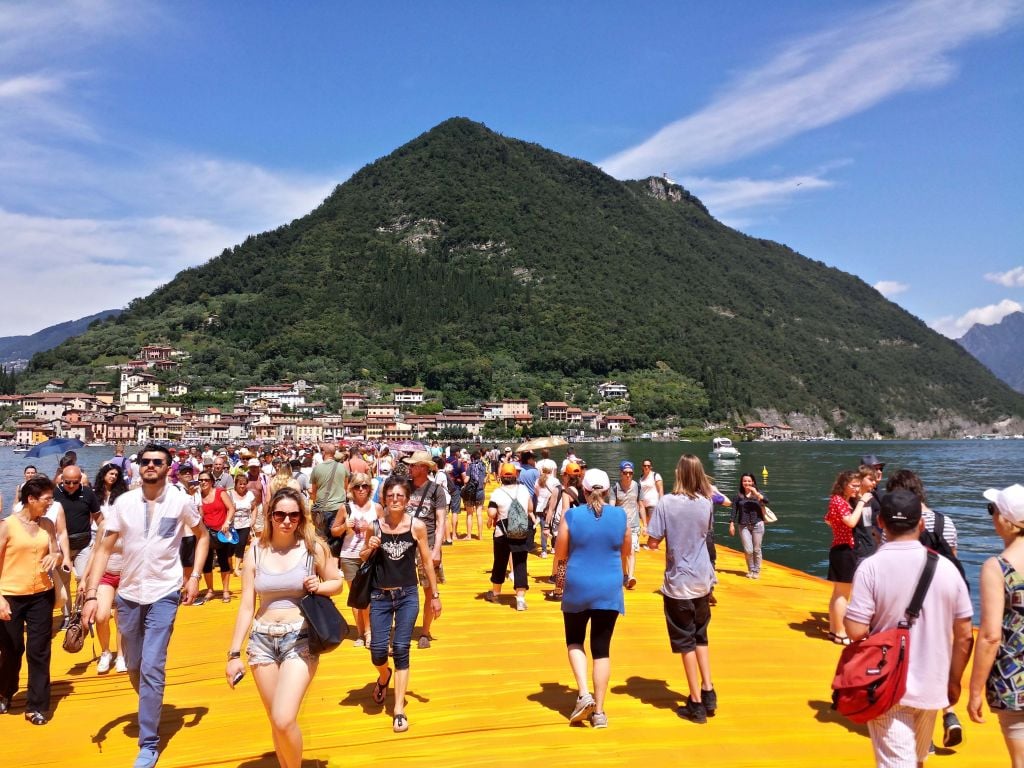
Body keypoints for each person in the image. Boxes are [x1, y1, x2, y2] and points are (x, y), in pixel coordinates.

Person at [82, 444, 210, 768]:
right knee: (136, 665)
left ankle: (148, 743)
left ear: (168, 467)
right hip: (127, 593)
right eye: (146, 461)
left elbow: (203, 535)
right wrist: (92, 593)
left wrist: (194, 576)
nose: (151, 465)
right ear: (139, 467)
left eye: (158, 462)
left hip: (164, 592)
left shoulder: (181, 502)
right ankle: (151, 702)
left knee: (152, 665)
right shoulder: (123, 503)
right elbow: (103, 548)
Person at [845, 490, 973, 768]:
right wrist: (954, 681)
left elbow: (855, 630)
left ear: (880, 522)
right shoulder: (948, 569)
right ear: (922, 524)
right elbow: (964, 635)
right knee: (917, 760)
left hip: (887, 681)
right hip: (933, 683)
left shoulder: (870, 567)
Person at [224, 487, 342, 768]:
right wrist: (233, 654)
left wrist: (320, 585)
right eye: (280, 515)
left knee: (284, 718)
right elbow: (246, 606)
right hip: (261, 641)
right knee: (276, 722)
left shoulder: (313, 547)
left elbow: (337, 583)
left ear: (301, 517)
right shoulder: (255, 551)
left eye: (293, 515)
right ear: (270, 516)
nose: (286, 521)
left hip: (298, 638)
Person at [360, 476, 442, 733]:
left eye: (400, 496)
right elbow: (362, 558)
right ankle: (384, 677)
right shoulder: (374, 527)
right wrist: (369, 548)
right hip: (380, 596)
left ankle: (398, 709)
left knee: (402, 647)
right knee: (378, 652)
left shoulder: (416, 526)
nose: (395, 500)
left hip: (407, 595)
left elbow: (427, 562)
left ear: (407, 500)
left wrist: (435, 595)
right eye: (390, 496)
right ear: (384, 499)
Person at [646, 454, 718, 724]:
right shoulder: (706, 504)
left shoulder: (666, 503)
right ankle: (708, 690)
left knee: (685, 641)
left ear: (679, 473)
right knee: (701, 636)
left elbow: (654, 541)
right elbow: (705, 535)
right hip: (703, 580)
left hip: (679, 583)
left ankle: (695, 702)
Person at [556, 468, 629, 728]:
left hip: (577, 586)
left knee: (575, 641)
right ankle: (599, 712)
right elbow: (626, 551)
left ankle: (584, 693)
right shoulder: (620, 515)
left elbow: (561, 555)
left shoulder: (572, 515)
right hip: (609, 587)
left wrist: (559, 584)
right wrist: (624, 577)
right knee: (602, 649)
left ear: (583, 491)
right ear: (608, 491)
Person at [969, 484, 1024, 767]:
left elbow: (990, 637)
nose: (991, 516)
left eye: (992, 510)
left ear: (1007, 521)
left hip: (1016, 683)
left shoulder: (998, 567)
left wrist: (975, 690)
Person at [0, 477, 62, 724]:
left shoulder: (47, 524)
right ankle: (5, 691)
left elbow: (56, 551)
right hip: (11, 596)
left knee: (39, 651)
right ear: (31, 499)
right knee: (12, 649)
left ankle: (36, 705)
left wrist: (55, 557)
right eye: (47, 499)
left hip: (41, 595)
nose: (50, 503)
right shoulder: (7, 526)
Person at [331, 472, 382, 647]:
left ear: (370, 488)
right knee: (355, 597)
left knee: (368, 596)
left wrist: (371, 530)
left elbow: (384, 530)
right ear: (351, 488)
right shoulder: (345, 508)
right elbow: (334, 531)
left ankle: (368, 632)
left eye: (365, 486)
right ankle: (361, 633)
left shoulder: (377, 508)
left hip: (370, 555)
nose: (361, 489)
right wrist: (345, 526)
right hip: (349, 556)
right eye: (357, 486)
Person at [403, 451, 447, 647]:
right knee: (401, 588)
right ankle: (404, 627)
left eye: (413, 465)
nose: (409, 468)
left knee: (429, 588)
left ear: (423, 467)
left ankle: (425, 631)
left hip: (426, 544)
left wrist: (437, 549)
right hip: (403, 544)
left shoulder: (436, 490)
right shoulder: (404, 487)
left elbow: (440, 522)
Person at [824, 470, 871, 645]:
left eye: (858, 486)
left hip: (840, 548)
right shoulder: (839, 501)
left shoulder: (838, 501)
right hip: (844, 550)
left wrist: (838, 529)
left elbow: (827, 520)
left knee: (838, 593)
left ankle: (833, 630)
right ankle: (840, 632)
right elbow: (851, 522)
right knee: (843, 594)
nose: (856, 489)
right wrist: (861, 503)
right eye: (853, 485)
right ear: (844, 484)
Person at [92, 463, 130, 674]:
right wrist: (88, 582)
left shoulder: (132, 526)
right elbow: (97, 553)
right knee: (102, 616)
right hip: (106, 574)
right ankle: (106, 652)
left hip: (126, 575)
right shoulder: (105, 526)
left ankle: (122, 655)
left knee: (121, 617)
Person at [53, 464, 100, 622]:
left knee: (82, 577)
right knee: (64, 582)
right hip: (61, 546)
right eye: (67, 482)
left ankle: (82, 611)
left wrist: (107, 535)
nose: (71, 486)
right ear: (61, 480)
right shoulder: (54, 494)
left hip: (83, 543)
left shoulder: (87, 493)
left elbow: (98, 516)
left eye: (75, 482)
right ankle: (67, 616)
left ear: (80, 480)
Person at [485, 463, 536, 611]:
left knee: (500, 562)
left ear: (501, 477)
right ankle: (520, 599)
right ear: (516, 476)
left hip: (503, 532)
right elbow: (530, 508)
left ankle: (495, 593)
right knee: (520, 563)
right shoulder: (524, 490)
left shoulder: (497, 492)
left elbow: (492, 514)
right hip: (521, 530)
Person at [196, 469, 237, 604]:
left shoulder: (220, 492)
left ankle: (225, 590)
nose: (203, 482)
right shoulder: (198, 496)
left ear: (212, 481)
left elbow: (231, 508)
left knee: (224, 561)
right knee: (207, 563)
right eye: (201, 480)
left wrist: (227, 522)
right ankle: (210, 590)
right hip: (205, 533)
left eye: (206, 480)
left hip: (221, 532)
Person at [729, 473, 769, 579]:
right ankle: (750, 569)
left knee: (757, 549)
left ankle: (756, 570)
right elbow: (734, 511)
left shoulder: (758, 494)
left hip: (758, 524)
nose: (747, 483)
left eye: (749, 481)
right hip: (743, 525)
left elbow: (766, 501)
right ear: (741, 483)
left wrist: (756, 493)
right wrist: (731, 524)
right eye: (744, 481)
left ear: (753, 482)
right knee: (748, 549)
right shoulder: (738, 496)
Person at [611, 461, 644, 589]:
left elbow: (641, 505)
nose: (628, 475)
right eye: (625, 473)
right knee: (622, 552)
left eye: (630, 473)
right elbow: (612, 507)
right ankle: (624, 575)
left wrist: (645, 524)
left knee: (631, 551)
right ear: (621, 473)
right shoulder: (615, 488)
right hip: (620, 525)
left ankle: (630, 576)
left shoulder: (637, 486)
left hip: (634, 524)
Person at [229, 472, 256, 575]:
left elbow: (254, 508)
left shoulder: (250, 494)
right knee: (230, 546)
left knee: (241, 545)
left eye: (244, 484)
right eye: (240, 484)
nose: (242, 486)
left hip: (245, 524)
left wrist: (252, 520)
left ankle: (236, 568)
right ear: (236, 484)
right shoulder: (230, 494)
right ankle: (230, 566)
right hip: (232, 524)